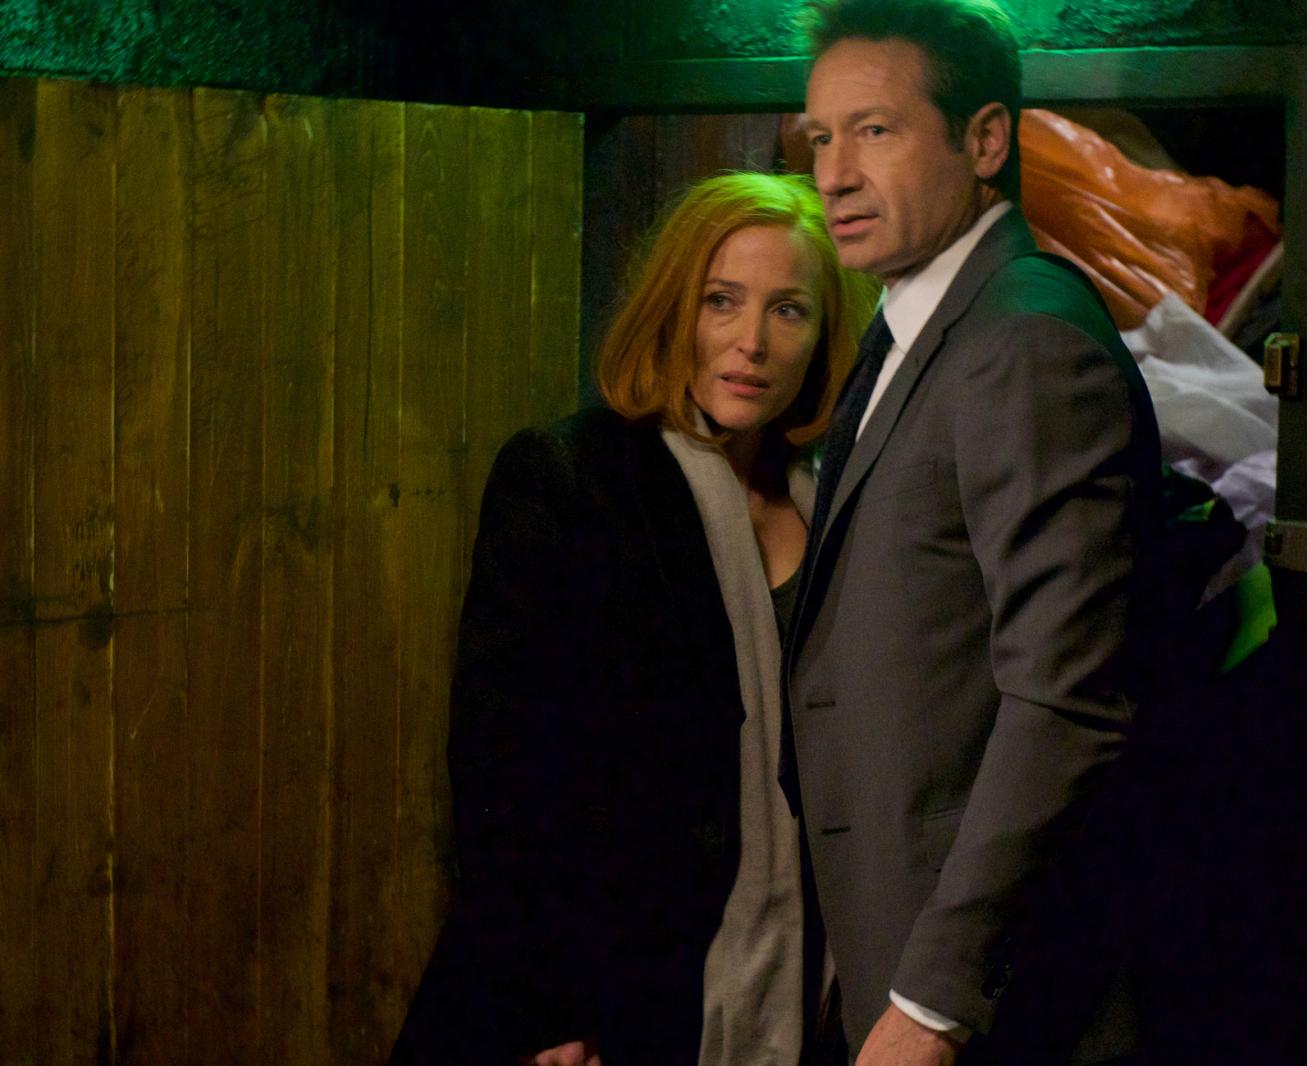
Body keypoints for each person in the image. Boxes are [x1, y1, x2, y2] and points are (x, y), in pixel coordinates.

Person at [389, 171, 877, 1066]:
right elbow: (507, 763)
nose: (752, 342)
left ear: (823, 336)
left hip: (815, 977)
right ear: (673, 309)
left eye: (788, 310)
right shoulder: (572, 477)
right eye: (721, 301)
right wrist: (550, 1003)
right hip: (615, 982)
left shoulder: (840, 504)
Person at [780, 1, 1163, 1063]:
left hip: (981, 997)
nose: (833, 175)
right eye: (820, 137)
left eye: (875, 131)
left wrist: (934, 998)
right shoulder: (923, 323)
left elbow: (1069, 697)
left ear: (986, 140)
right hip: (887, 940)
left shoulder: (1023, 340)